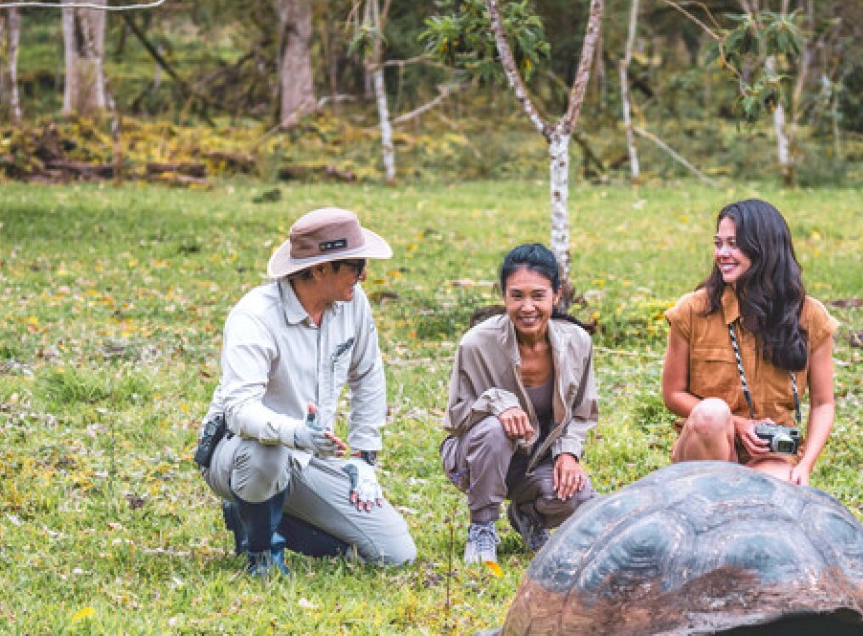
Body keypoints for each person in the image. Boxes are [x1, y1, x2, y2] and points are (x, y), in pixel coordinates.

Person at [197, 207, 418, 576]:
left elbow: (367, 374)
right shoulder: (255, 316)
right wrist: (295, 432)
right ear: (319, 270)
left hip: (307, 456)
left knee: (395, 553)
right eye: (356, 265)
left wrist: (364, 456)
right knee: (266, 455)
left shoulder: (353, 303)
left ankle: (252, 517)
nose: (364, 275)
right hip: (240, 451)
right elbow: (239, 410)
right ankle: (263, 553)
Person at [441, 244, 599, 565]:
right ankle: (482, 527)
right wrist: (498, 403)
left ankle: (527, 514)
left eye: (538, 296)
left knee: (580, 496)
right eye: (517, 296)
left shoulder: (577, 342)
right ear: (504, 297)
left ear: (556, 296)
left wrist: (568, 453)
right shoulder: (476, 344)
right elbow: (457, 416)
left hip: (534, 459)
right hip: (474, 458)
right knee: (496, 428)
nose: (528, 307)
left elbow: (582, 413)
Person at [662, 198, 836, 485]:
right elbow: (673, 394)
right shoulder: (692, 311)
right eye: (718, 244)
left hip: (770, 454)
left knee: (772, 492)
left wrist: (805, 465)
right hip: (704, 447)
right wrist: (738, 424)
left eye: (733, 244)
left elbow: (823, 403)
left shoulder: (810, 316)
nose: (722, 254)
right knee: (712, 414)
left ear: (764, 248)